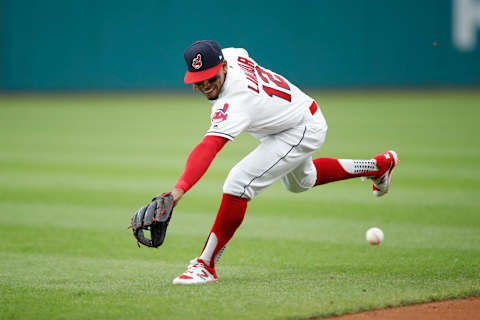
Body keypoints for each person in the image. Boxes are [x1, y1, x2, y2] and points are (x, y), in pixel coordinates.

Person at [170, 40, 398, 285]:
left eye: (211, 77)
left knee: (239, 182)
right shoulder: (231, 56)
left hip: (300, 126)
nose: (205, 84)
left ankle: (206, 265)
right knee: (301, 182)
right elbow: (241, 52)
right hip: (288, 117)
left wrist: (177, 191)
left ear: (223, 66)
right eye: (198, 79)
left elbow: (209, 147)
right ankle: (378, 166)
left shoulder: (235, 101)